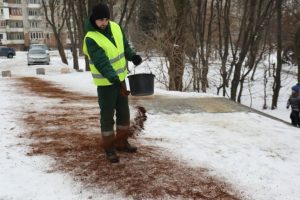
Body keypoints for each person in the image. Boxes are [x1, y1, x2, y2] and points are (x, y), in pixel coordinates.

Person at [83, 3, 142, 163]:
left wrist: (132, 56)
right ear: (94, 20)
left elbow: (124, 46)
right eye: (101, 20)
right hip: (106, 84)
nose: (104, 22)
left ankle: (122, 142)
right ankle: (109, 148)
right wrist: (113, 78)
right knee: (107, 116)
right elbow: (102, 62)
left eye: (106, 19)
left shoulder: (115, 27)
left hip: (120, 79)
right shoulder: (91, 38)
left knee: (124, 113)